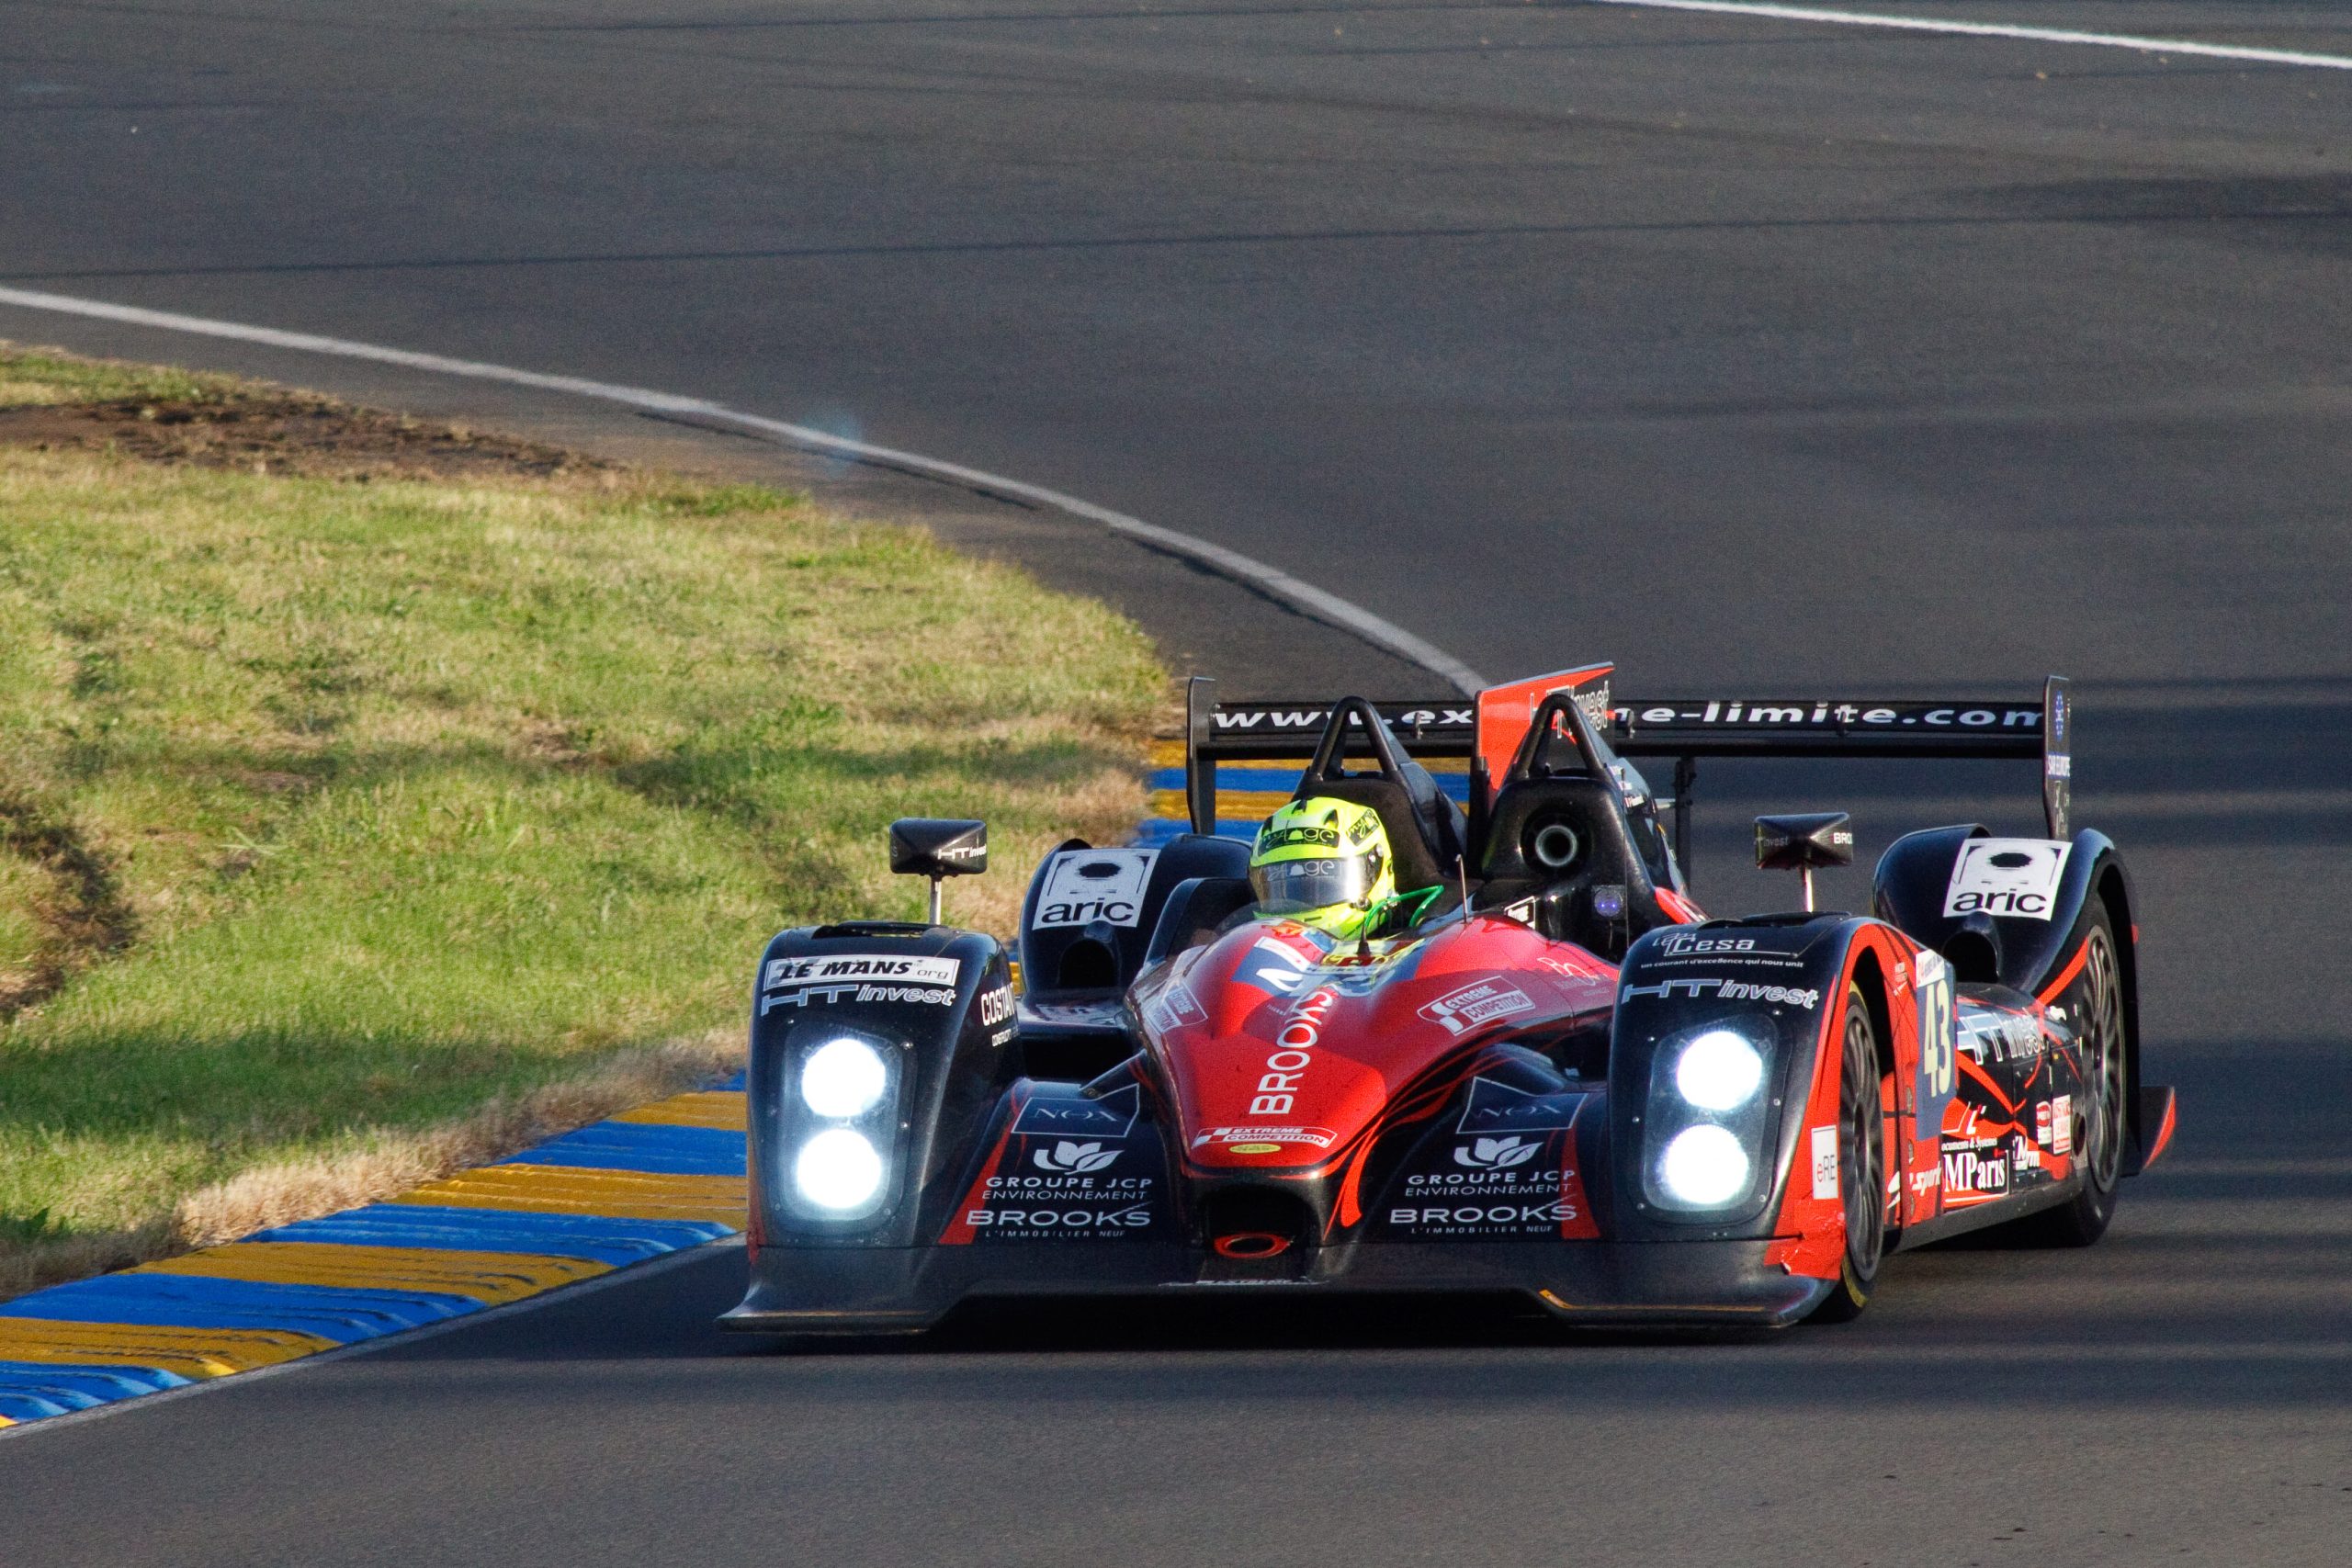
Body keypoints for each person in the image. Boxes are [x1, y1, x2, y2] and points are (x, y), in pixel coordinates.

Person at [1247, 795, 1444, 942]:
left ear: (1376, 864)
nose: (1305, 896)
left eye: (1325, 881)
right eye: (1285, 885)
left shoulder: (1418, 943)